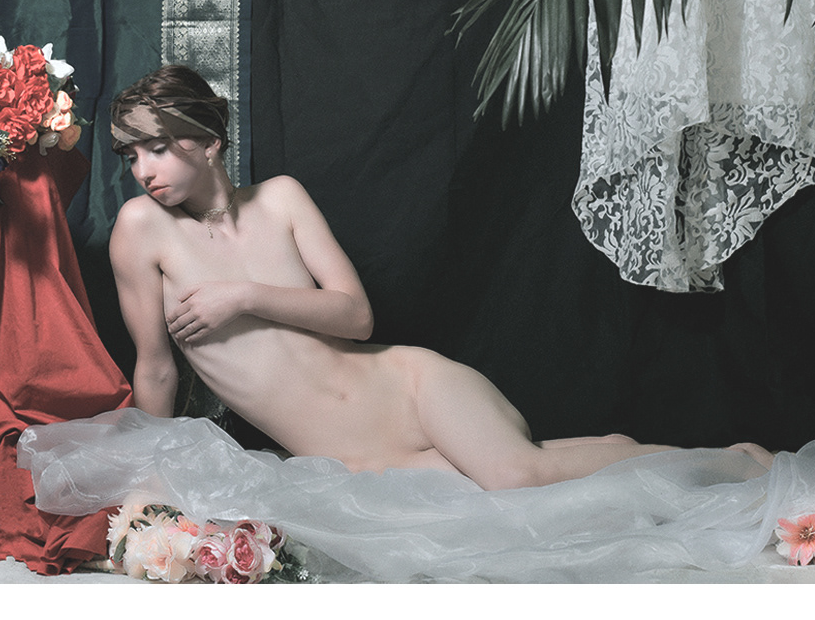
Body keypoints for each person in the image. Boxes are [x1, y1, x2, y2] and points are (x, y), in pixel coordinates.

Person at [107, 64, 771, 491]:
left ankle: (734, 462)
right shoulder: (141, 230)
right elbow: (157, 370)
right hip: (358, 456)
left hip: (408, 388)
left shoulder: (281, 198)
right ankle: (610, 449)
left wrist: (243, 296)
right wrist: (145, 487)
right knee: (519, 499)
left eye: (157, 148)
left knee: (515, 476)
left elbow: (356, 317)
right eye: (130, 155)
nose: (143, 170)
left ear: (210, 142)